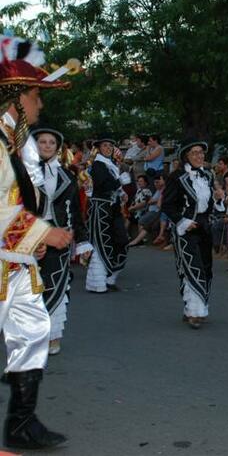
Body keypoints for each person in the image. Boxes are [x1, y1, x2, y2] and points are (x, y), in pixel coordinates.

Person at [0, 35, 73, 449]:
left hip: (15, 260)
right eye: (35, 97)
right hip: (5, 258)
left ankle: (21, 423)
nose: (40, 106)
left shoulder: (11, 142)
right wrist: (45, 232)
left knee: (32, 330)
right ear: (16, 99)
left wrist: (32, 241)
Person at [33, 129, 92, 356]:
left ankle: (52, 336)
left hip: (59, 237)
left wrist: (83, 241)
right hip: (29, 236)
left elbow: (76, 212)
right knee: (29, 290)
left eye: (52, 143)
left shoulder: (67, 176)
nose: (47, 146)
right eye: (42, 142)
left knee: (56, 284)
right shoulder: (22, 173)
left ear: (58, 147)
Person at [162, 138, 215, 329]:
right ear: (186, 156)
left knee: (206, 268)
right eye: (195, 153)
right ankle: (195, 313)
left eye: (201, 152)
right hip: (186, 229)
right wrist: (183, 221)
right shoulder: (176, 177)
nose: (199, 156)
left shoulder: (208, 175)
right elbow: (167, 205)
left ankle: (194, 307)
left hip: (203, 226)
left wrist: (218, 201)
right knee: (193, 267)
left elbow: (208, 205)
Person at [85, 137, 129, 293]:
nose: (109, 148)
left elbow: (113, 185)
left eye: (111, 145)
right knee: (101, 243)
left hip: (113, 208)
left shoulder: (111, 164)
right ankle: (97, 283)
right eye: (105, 145)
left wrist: (122, 193)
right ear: (99, 147)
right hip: (100, 208)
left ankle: (110, 277)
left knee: (122, 240)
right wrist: (120, 183)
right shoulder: (97, 164)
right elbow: (103, 185)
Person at [128, 174, 164, 247]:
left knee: (141, 220)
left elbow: (146, 202)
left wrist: (133, 208)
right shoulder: (139, 190)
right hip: (140, 211)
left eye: (141, 181)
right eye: (138, 181)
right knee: (126, 218)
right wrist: (131, 207)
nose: (139, 183)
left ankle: (141, 240)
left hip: (145, 211)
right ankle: (128, 237)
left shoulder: (147, 191)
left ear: (145, 182)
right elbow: (136, 200)